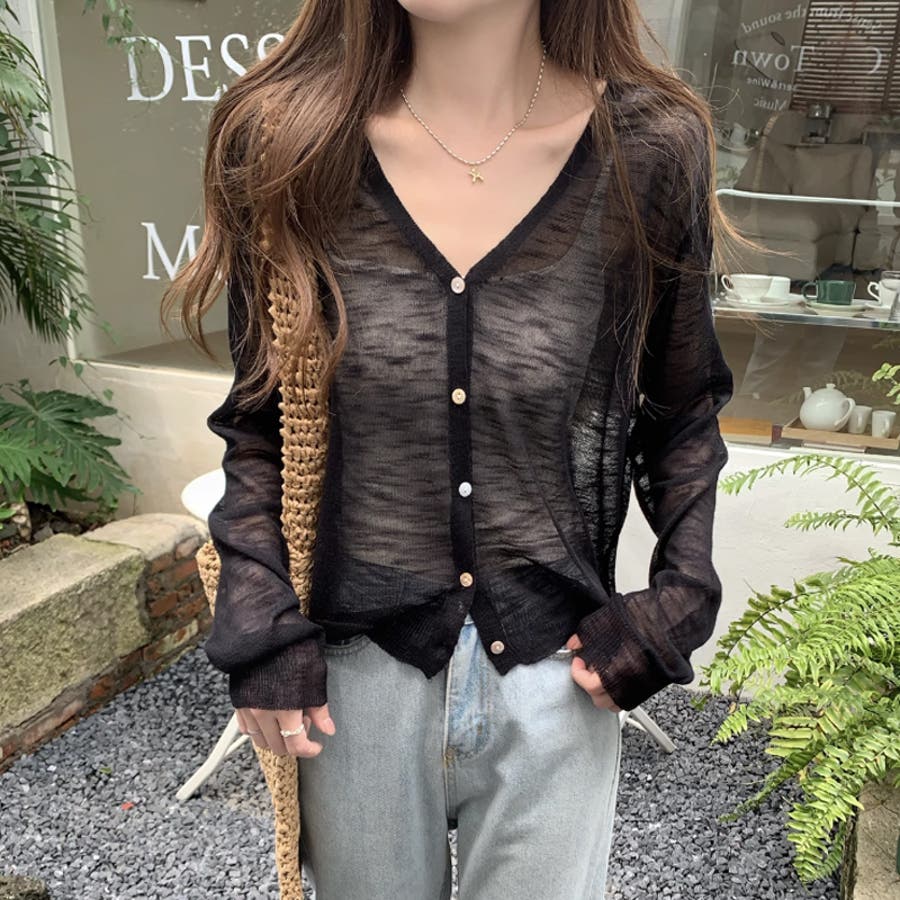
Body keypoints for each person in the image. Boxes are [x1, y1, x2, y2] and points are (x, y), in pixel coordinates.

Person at [165, 0, 737, 896]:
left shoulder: (649, 152)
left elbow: (681, 410)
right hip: (355, 684)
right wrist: (258, 621)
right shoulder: (284, 139)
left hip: (556, 676)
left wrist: (680, 597)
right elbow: (260, 421)